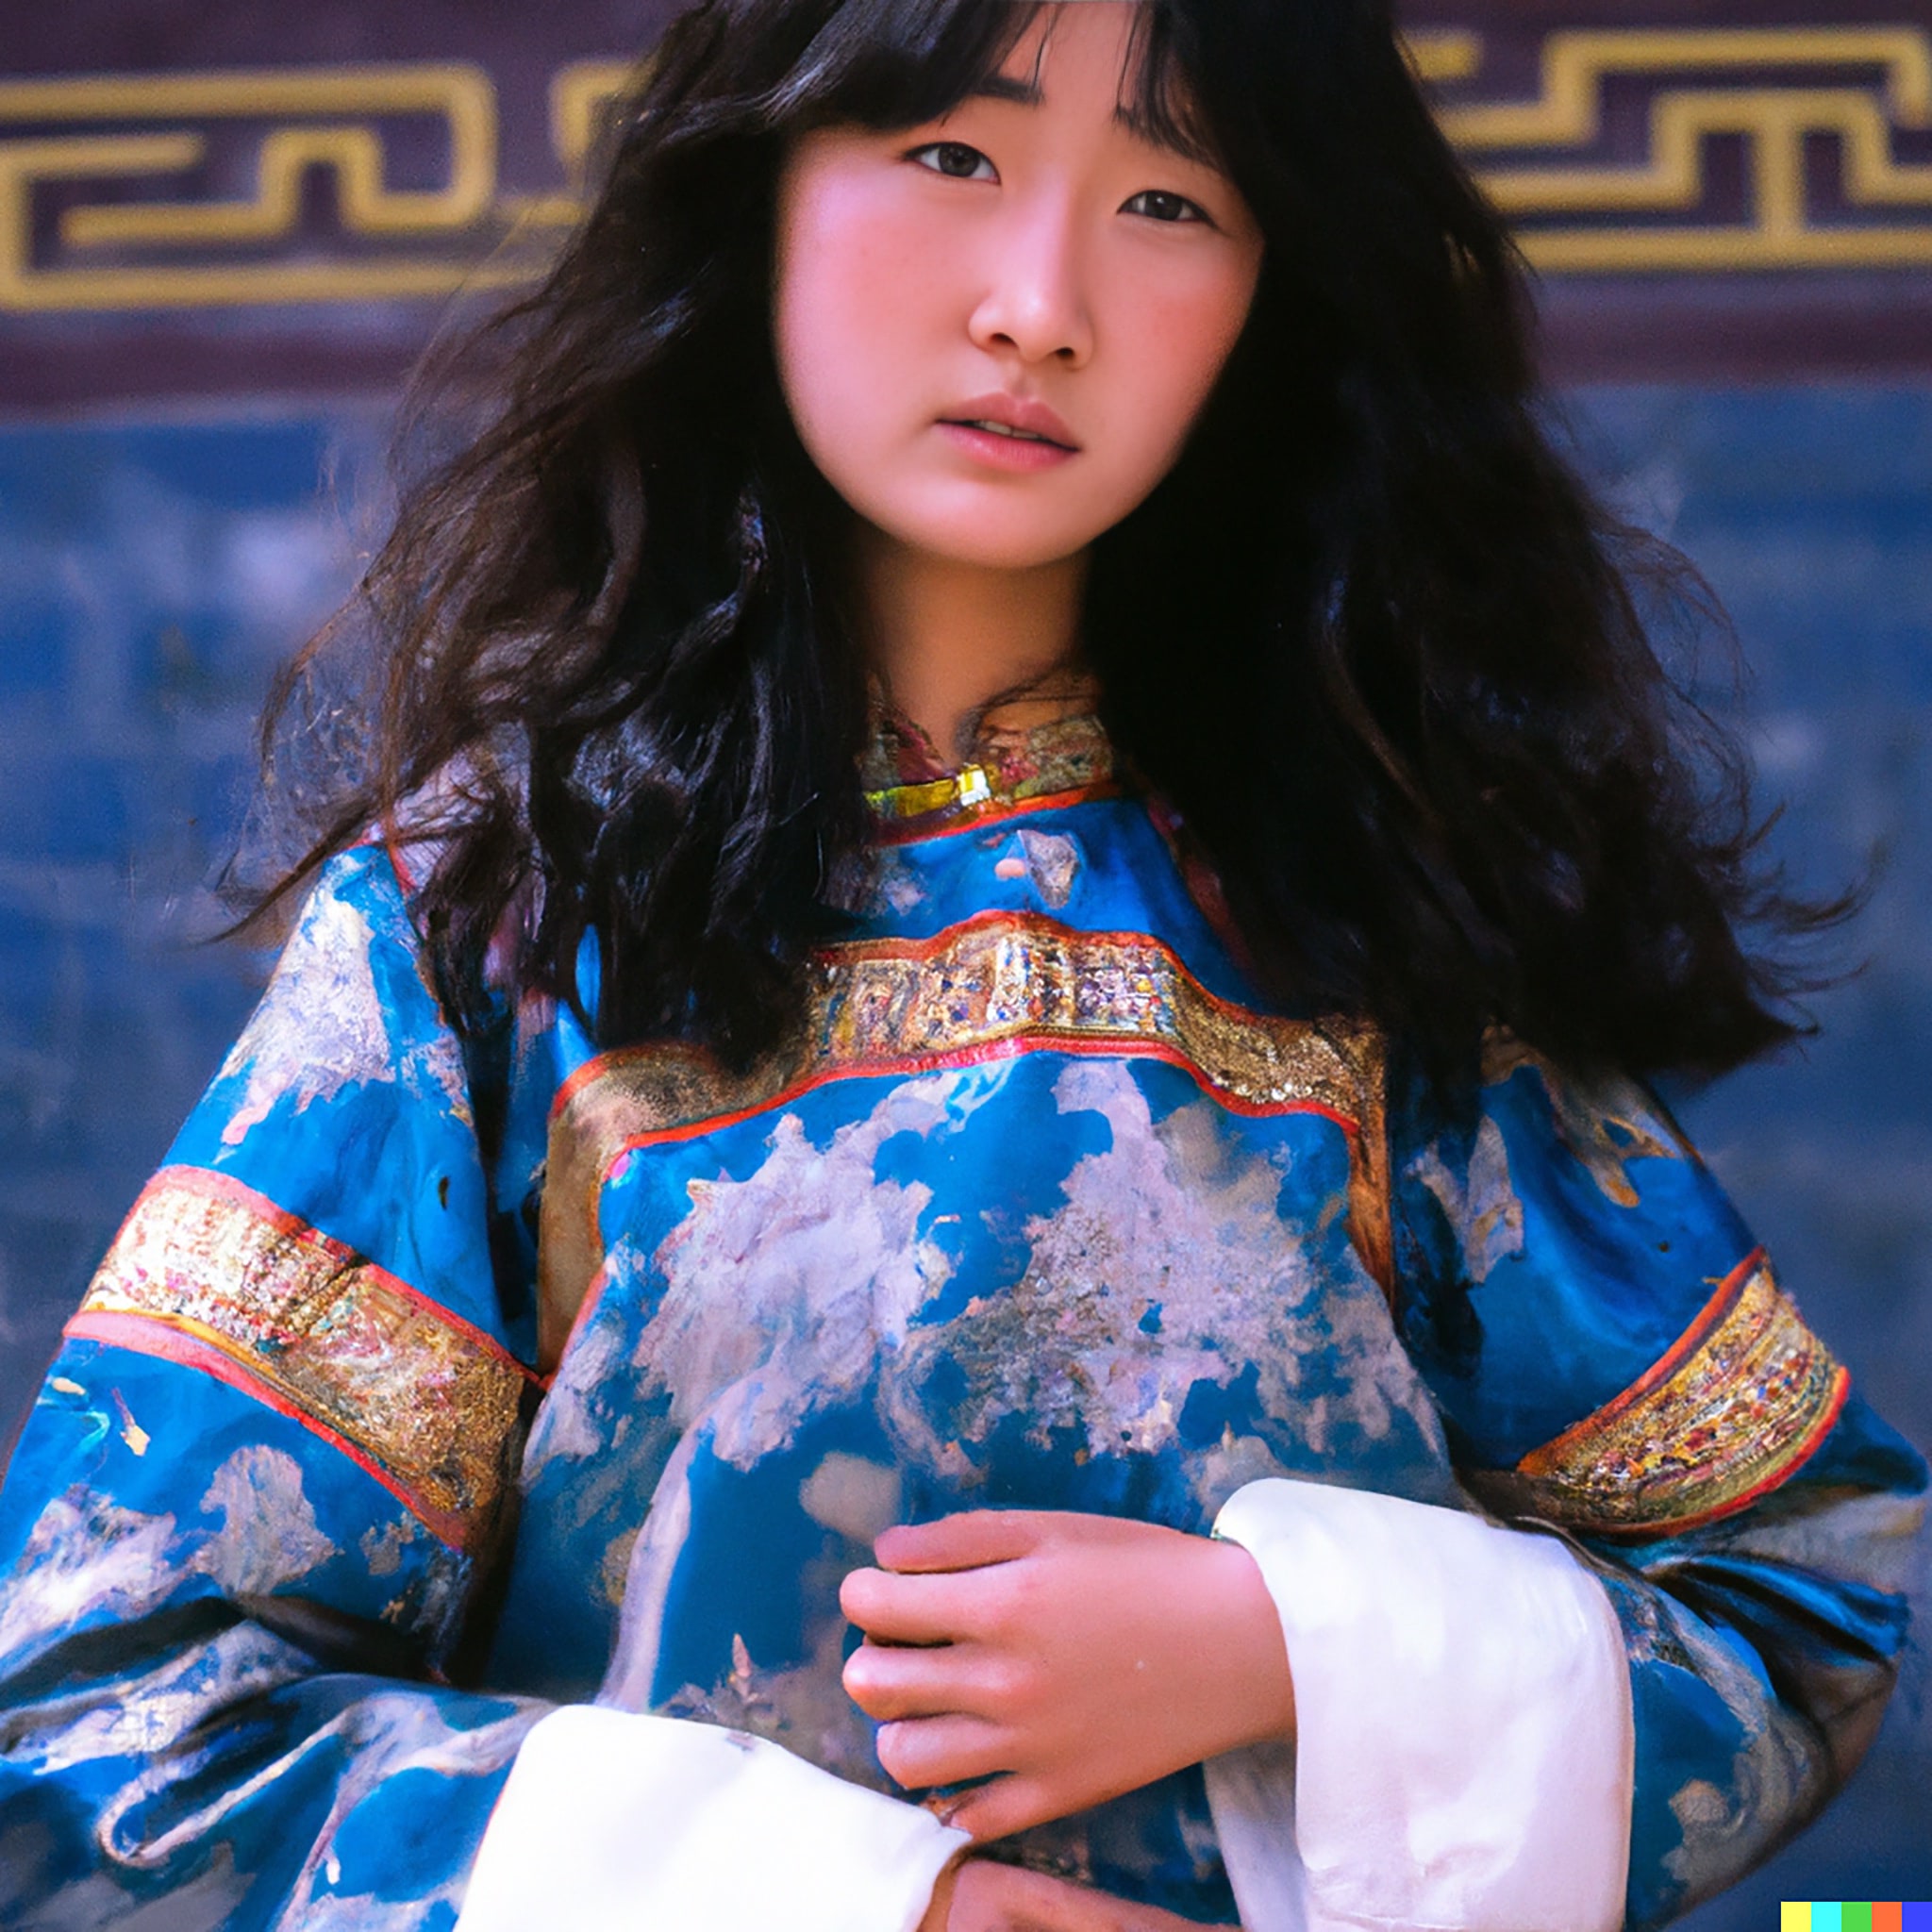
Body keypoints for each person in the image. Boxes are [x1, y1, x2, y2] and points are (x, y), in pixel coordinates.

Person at [0, 3, 1924, 1927]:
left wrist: (1284, 1644)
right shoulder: (498, 928)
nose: (1038, 303)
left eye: (1172, 198)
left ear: (1274, 295)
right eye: (950, 156)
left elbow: (1804, 1589)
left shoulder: (1360, 929)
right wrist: (863, 1904)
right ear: (756, 185)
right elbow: (107, 1720)